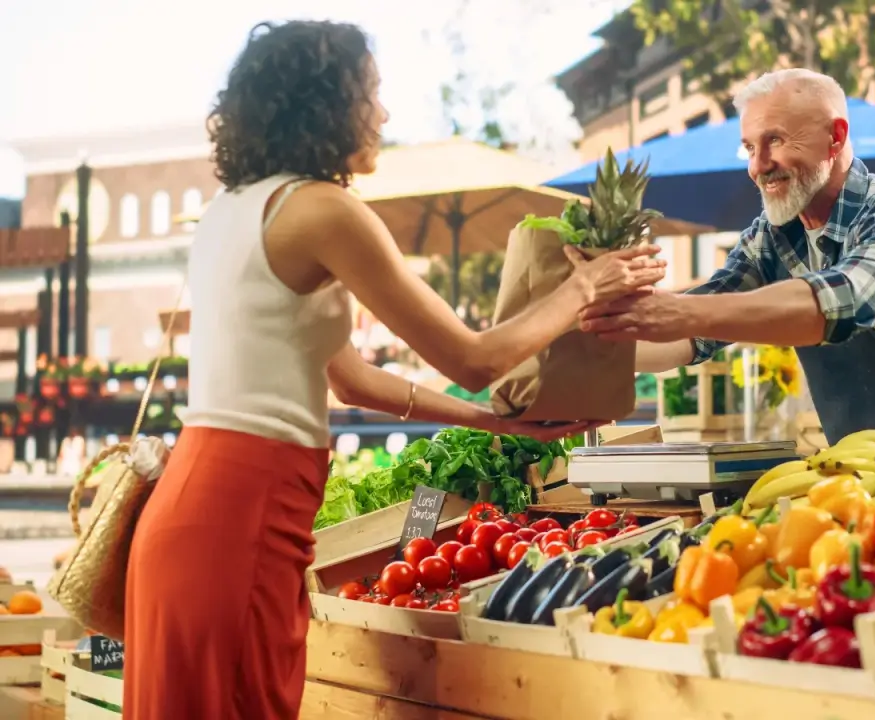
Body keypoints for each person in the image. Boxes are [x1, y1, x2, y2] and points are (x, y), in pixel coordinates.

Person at [123, 20, 664, 720]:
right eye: (370, 94)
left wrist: (496, 422)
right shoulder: (324, 211)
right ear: (326, 103)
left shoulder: (233, 210)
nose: (383, 113)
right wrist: (586, 288)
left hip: (196, 513)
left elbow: (349, 379)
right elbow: (469, 356)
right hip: (243, 515)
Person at [579, 68, 875, 441]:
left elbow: (839, 303)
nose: (758, 165)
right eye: (750, 147)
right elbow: (691, 334)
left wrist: (679, 310)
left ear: (835, 136)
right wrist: (577, 351)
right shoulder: (773, 238)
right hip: (873, 470)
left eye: (776, 140)